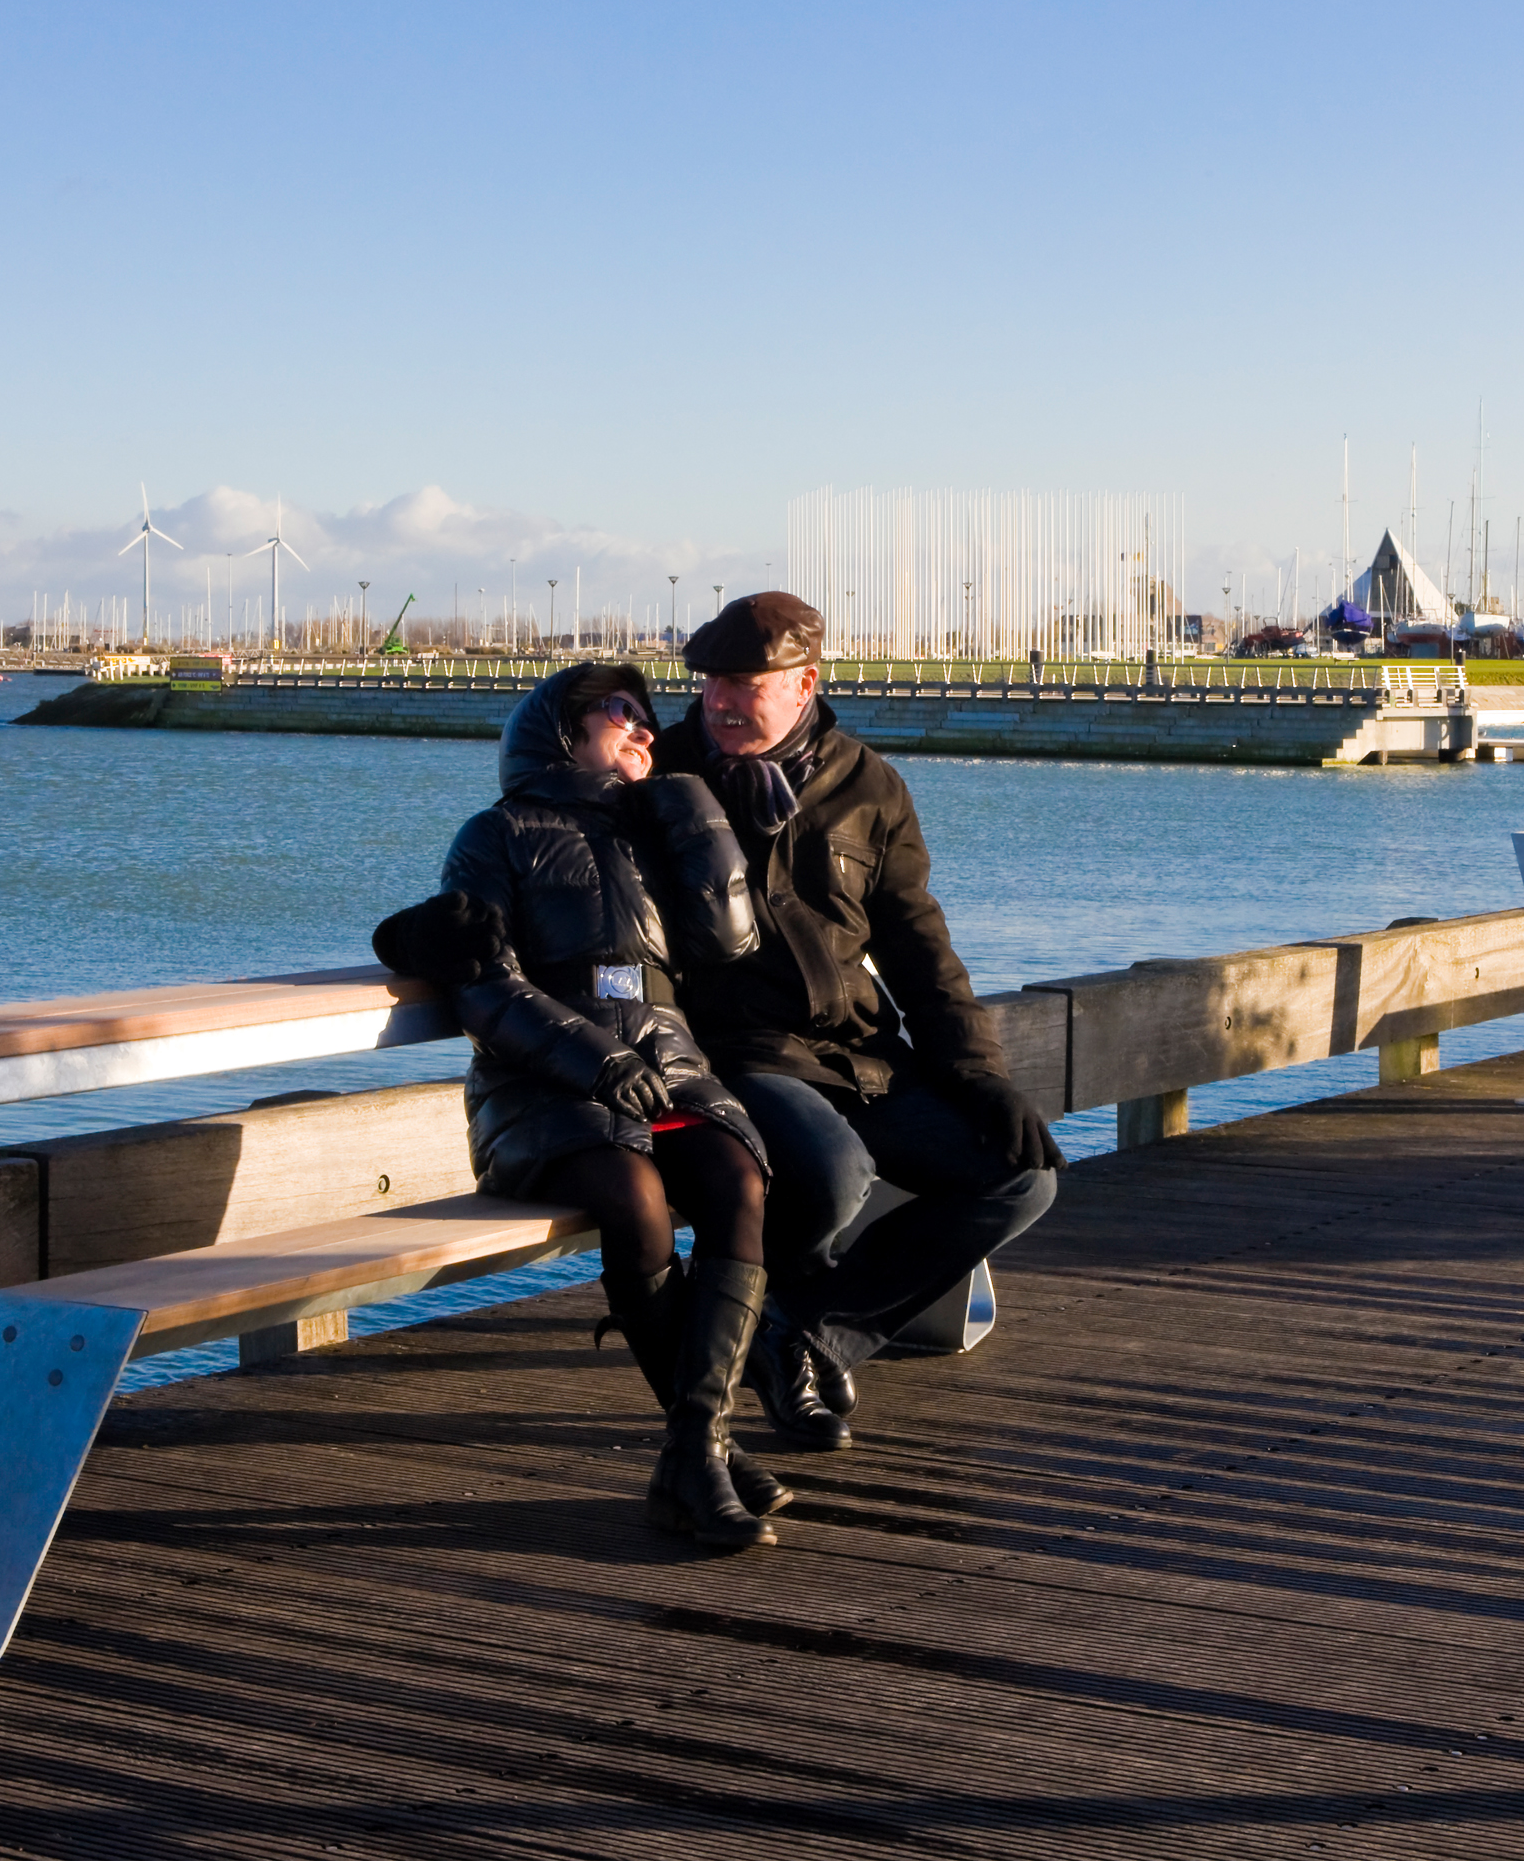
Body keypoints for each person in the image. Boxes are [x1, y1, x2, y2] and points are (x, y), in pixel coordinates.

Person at [371, 661, 787, 1551]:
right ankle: (702, 1457)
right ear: (562, 728)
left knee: (737, 1180)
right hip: (541, 1085)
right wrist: (594, 1062)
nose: (643, 727)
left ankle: (696, 1447)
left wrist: (697, 808)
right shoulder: (496, 834)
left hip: (667, 1067)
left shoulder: (658, 829)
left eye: (647, 716)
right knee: (635, 1199)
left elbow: (729, 940)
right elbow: (483, 985)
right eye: (618, 711)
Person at [649, 591, 1061, 1452]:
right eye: (711, 681)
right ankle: (785, 1341)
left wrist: (980, 1077)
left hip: (858, 1057)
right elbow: (555, 863)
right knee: (835, 1176)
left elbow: (920, 949)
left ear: (804, 684)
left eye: (744, 683)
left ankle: (803, 1336)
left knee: (1019, 1178)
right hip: (732, 1056)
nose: (720, 701)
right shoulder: (659, 777)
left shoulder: (868, 785)